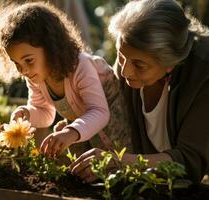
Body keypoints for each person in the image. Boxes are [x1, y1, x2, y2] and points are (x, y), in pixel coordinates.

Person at [70, 0, 209, 184]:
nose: (125, 72)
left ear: (169, 64)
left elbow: (188, 163)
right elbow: (112, 119)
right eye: (120, 56)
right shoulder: (130, 64)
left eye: (139, 65)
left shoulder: (202, 76)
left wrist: (117, 161)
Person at [0, 2, 111, 158]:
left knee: (120, 172)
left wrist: (71, 132)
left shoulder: (81, 66)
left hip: (116, 130)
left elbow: (100, 112)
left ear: (50, 47)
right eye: (16, 63)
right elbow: (45, 113)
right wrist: (27, 113)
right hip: (84, 132)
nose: (23, 70)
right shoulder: (36, 76)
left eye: (28, 60)